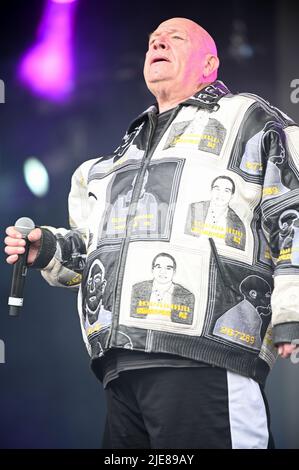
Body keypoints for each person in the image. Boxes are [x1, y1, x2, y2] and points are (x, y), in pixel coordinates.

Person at [4, 17, 299, 449]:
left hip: (208, 357)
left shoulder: (248, 119)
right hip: (121, 365)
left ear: (210, 63)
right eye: (152, 41)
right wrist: (48, 248)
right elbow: (94, 254)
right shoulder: (121, 156)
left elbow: (291, 211)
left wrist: (291, 310)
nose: (158, 41)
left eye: (175, 37)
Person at [130, 252, 195, 324]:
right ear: (152, 270)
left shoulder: (187, 296)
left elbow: (186, 325)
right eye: (158, 267)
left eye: (168, 268)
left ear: (174, 272)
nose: (163, 272)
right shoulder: (137, 289)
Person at [185, 175, 246, 249]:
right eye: (217, 189)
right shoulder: (194, 208)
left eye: (226, 191)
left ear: (232, 195)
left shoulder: (238, 223)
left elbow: (237, 251)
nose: (221, 194)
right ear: (211, 190)